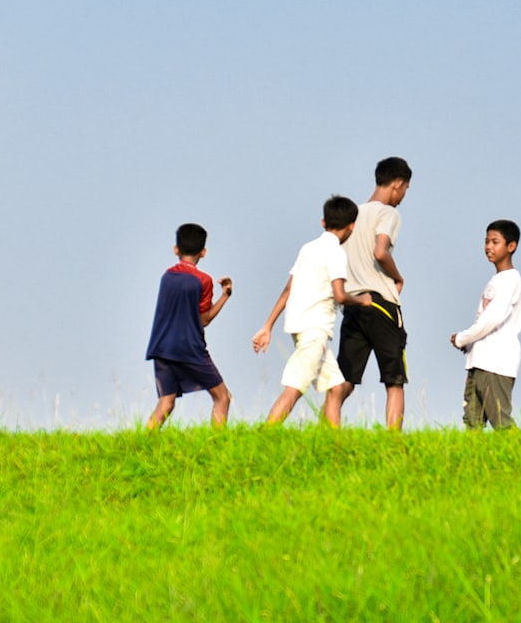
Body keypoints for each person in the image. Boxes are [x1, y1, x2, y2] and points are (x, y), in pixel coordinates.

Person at [251, 196, 372, 424]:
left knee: (336, 388)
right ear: (352, 227)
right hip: (315, 330)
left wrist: (267, 326)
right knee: (294, 388)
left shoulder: (308, 248)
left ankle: (333, 444)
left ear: (322, 222)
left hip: (301, 328)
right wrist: (361, 300)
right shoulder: (336, 252)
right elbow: (339, 294)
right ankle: (265, 436)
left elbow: (288, 289)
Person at [324, 157, 412, 429]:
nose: (403, 197)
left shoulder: (352, 215)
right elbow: (380, 251)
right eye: (406, 189)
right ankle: (393, 442)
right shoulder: (388, 213)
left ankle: (327, 436)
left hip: (352, 304)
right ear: (397, 184)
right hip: (380, 304)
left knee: (343, 380)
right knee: (394, 378)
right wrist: (398, 277)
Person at [146, 223, 233, 429]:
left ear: (176, 249)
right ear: (203, 252)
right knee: (222, 397)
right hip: (190, 349)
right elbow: (204, 319)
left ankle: (139, 443)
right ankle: (217, 445)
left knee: (166, 403)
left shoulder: (166, 277)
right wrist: (225, 295)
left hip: (161, 347)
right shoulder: (203, 281)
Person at [450, 220, 521, 430]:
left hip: (496, 362)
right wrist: (470, 344)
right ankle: (474, 462)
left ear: (511, 246)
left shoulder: (511, 279)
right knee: (472, 420)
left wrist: (462, 338)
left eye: (495, 242)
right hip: (479, 361)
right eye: (486, 241)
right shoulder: (497, 279)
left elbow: (492, 318)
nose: (488, 247)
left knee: (500, 420)